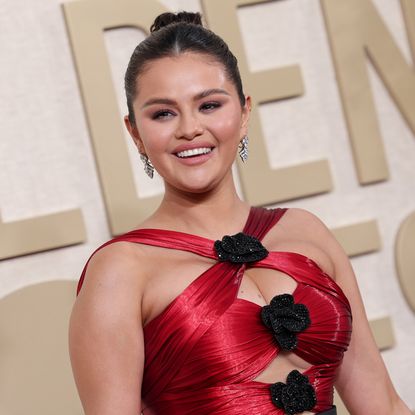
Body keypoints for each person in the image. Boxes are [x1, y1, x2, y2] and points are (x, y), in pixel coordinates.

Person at [68, 11, 411, 415]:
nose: (190, 128)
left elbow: (383, 405)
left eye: (209, 105)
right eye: (163, 113)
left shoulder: (305, 231)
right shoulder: (120, 272)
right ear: (135, 133)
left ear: (245, 112)